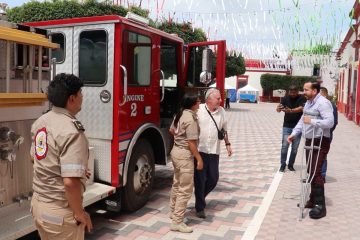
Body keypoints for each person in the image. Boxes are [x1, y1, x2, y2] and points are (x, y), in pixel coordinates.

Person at [30, 73, 93, 239]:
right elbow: (70, 183)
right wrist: (80, 213)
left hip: (39, 205)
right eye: (80, 94)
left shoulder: (41, 122)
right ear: (72, 99)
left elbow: (36, 158)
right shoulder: (72, 131)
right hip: (59, 213)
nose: (82, 97)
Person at [288, 81, 334, 219]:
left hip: (320, 140)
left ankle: (320, 206)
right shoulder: (309, 103)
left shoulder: (323, 103)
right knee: (310, 171)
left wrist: (313, 122)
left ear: (314, 91)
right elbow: (303, 120)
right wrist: (294, 133)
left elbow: (330, 122)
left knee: (316, 172)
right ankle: (313, 200)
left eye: (306, 90)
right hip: (309, 139)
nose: (304, 92)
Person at [194, 88, 232, 219]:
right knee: (199, 180)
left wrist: (228, 144)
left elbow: (224, 130)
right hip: (200, 150)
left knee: (213, 179)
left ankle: (200, 197)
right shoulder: (199, 109)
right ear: (209, 99)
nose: (221, 100)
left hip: (214, 151)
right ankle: (200, 207)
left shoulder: (222, 111)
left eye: (220, 98)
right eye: (218, 98)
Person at [169, 92, 203, 233]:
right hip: (184, 155)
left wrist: (178, 139)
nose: (200, 103)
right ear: (193, 104)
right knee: (186, 189)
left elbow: (172, 130)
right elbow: (191, 142)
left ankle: (173, 212)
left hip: (176, 152)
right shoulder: (190, 118)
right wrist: (199, 159)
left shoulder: (181, 113)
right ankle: (177, 221)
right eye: (198, 101)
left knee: (177, 184)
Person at [276, 85, 306, 172]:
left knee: (294, 148)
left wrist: (291, 111)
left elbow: (302, 108)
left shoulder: (302, 98)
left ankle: (290, 165)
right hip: (287, 126)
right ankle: (282, 164)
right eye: (291, 92)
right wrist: (278, 108)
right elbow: (278, 110)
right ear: (289, 92)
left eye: (294, 92)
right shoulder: (285, 98)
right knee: (285, 146)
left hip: (298, 127)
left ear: (297, 91)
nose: (292, 94)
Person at [319, 87, 338, 181]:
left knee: (322, 154)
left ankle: (322, 175)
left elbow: (334, 122)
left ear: (325, 94)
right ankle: (316, 174)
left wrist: (328, 131)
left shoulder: (331, 105)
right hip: (316, 134)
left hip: (326, 134)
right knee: (315, 154)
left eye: (320, 94)